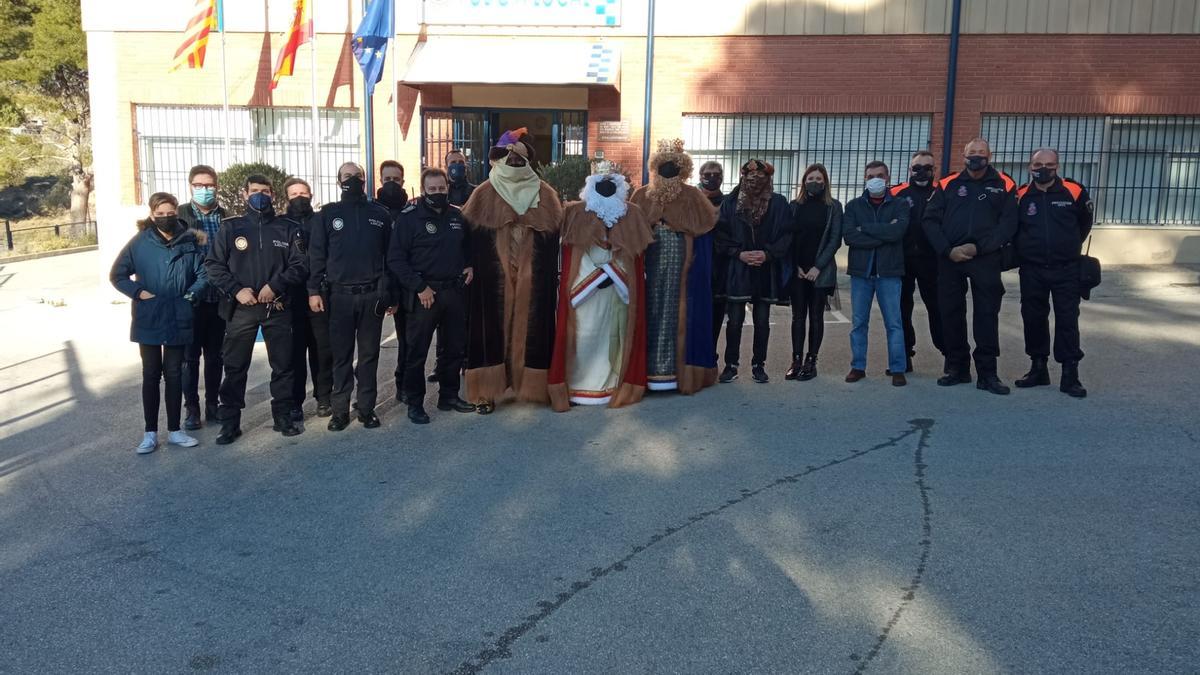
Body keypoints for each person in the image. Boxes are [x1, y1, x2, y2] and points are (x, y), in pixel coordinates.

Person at [461, 128, 563, 414]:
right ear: (499, 160)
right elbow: (469, 238)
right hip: (492, 280)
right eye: (509, 158)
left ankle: (532, 386)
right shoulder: (484, 193)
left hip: (534, 280)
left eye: (520, 160)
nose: (515, 164)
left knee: (534, 330)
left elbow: (553, 235)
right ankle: (485, 391)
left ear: (528, 161)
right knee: (489, 331)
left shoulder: (545, 193)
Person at [205, 175, 307, 444]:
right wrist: (236, 290)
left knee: (283, 364)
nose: (259, 195)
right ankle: (229, 422)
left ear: (273, 195)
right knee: (235, 366)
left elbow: (300, 265)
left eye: (264, 191)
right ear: (244, 194)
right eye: (254, 191)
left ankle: (283, 416)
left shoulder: (288, 228)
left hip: (277, 305)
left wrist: (275, 286)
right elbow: (213, 265)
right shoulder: (231, 228)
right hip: (241, 308)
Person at [110, 193, 208, 453]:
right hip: (149, 317)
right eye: (160, 214)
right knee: (151, 375)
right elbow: (117, 275)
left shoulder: (189, 242)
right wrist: (139, 293)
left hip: (179, 315)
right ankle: (150, 433)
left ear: (177, 211)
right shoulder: (140, 243)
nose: (166, 218)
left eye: (170, 213)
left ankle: (175, 430)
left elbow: (203, 273)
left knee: (175, 374)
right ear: (152, 215)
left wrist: (191, 294)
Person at [548, 173, 654, 411]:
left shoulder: (632, 213)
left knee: (614, 339)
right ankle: (579, 386)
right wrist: (598, 276)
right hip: (587, 294)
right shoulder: (576, 213)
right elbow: (573, 255)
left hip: (617, 292)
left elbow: (634, 255)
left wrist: (615, 275)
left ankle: (612, 385)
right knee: (585, 337)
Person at [922, 138, 1019, 395]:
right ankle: (957, 368)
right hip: (950, 259)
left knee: (987, 316)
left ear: (990, 155)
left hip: (985, 259)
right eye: (971, 152)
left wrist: (980, 247)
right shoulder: (947, 184)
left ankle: (988, 373)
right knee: (951, 313)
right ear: (963, 156)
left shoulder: (1005, 185)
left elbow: (1008, 225)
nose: (976, 156)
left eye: (981, 152)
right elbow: (930, 220)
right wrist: (947, 250)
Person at [308, 162, 396, 431]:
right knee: (341, 357)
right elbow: (317, 255)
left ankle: (366, 409)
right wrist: (313, 290)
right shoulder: (327, 214)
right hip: (339, 297)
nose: (353, 180)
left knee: (369, 355)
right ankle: (340, 411)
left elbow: (390, 258)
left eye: (357, 176)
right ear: (339, 181)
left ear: (365, 180)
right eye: (347, 176)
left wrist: (390, 294)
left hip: (371, 296)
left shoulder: (379, 214)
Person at [387, 168, 477, 424]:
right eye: (432, 189)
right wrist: (419, 287)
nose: (438, 193)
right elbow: (396, 259)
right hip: (424, 294)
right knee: (417, 352)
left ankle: (449, 396)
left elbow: (467, 248)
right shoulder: (409, 219)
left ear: (447, 188)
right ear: (423, 189)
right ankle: (414, 402)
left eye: (442, 189)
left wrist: (469, 264)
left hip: (454, 292)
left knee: (454, 348)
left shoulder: (458, 217)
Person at [629, 139, 719, 393]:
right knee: (651, 307)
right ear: (656, 166)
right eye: (663, 164)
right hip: (651, 261)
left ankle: (675, 371)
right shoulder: (642, 193)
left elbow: (705, 225)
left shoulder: (692, 195)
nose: (668, 168)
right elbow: (633, 227)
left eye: (673, 164)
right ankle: (647, 370)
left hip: (683, 262)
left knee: (677, 311)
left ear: (682, 168)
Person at [1013, 147, 1093, 398]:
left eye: (1049, 164)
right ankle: (1038, 368)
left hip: (1066, 268)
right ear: (1030, 167)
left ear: (1057, 167)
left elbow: (1084, 224)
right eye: (1038, 165)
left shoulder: (1074, 191)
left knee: (1067, 320)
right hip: (1032, 268)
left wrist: (1067, 247)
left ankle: (1070, 375)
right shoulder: (1021, 195)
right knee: (1033, 318)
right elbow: (1014, 228)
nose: (1043, 169)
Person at [715, 159, 792, 384]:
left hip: (765, 268)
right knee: (735, 320)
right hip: (739, 267)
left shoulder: (778, 203)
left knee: (762, 319)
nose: (754, 182)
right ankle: (731, 365)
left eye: (760, 178)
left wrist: (768, 254)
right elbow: (721, 235)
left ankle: (759, 365)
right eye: (749, 178)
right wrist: (738, 253)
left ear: (768, 179)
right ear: (742, 178)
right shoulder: (730, 203)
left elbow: (787, 234)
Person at [842, 161, 910, 386]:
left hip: (889, 273)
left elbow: (898, 232)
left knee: (894, 323)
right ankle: (857, 366)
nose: (875, 179)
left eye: (880, 175)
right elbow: (851, 237)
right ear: (864, 178)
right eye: (871, 175)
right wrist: (884, 231)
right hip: (861, 273)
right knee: (859, 323)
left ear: (888, 177)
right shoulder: (853, 206)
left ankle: (898, 368)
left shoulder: (900, 205)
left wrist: (867, 228)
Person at [177, 164, 225, 431]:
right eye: (199, 185)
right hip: (191, 299)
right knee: (189, 358)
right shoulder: (180, 216)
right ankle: (192, 409)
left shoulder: (226, 217)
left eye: (209, 185)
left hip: (218, 298)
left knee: (216, 356)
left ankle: (213, 405)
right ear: (190, 186)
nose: (205, 190)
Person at [785, 163, 843, 381]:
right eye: (811, 178)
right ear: (804, 181)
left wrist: (818, 266)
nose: (815, 182)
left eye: (819, 179)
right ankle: (796, 360)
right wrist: (796, 266)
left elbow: (834, 239)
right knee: (797, 317)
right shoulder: (794, 206)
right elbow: (788, 238)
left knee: (816, 316)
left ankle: (811, 361)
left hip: (821, 271)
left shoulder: (834, 207)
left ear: (825, 182)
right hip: (798, 271)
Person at [281, 177, 333, 419]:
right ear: (286, 198)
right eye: (294, 194)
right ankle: (295, 402)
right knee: (294, 352)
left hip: (320, 294)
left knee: (322, 349)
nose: (299, 197)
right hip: (291, 296)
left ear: (311, 195)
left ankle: (324, 398)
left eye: (303, 192)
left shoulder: (321, 221)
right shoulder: (280, 225)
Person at [891, 150, 945, 374]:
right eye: (917, 167)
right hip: (902, 261)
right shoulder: (897, 194)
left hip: (932, 262)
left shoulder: (942, 194)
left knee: (938, 308)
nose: (921, 171)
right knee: (902, 309)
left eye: (927, 167)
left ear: (934, 170)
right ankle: (904, 354)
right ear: (909, 170)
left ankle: (948, 354)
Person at [698, 160, 728, 362]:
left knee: (717, 312)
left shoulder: (727, 202)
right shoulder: (692, 200)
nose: (711, 178)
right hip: (697, 262)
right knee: (696, 312)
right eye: (707, 174)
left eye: (716, 174)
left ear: (722, 178)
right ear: (700, 177)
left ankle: (711, 354)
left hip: (720, 264)